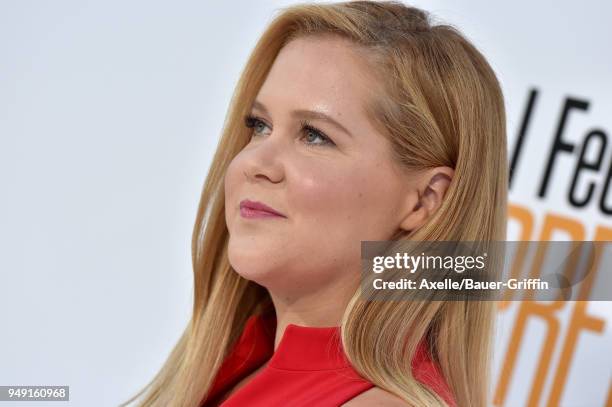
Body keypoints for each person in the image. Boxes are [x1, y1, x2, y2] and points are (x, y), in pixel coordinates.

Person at [121, 1, 507, 406]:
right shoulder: (236, 360)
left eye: (315, 135)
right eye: (260, 126)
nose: (255, 163)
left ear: (424, 202)